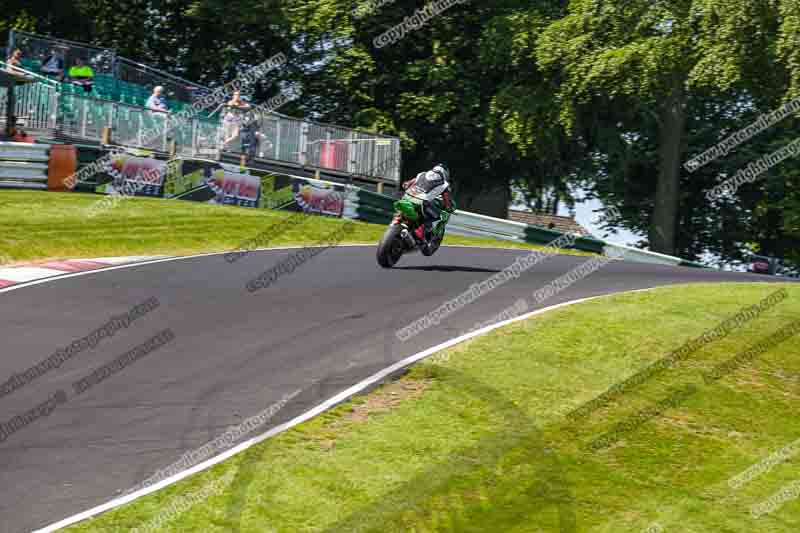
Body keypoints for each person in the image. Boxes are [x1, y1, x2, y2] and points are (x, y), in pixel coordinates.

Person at [401, 163, 456, 253]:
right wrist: (448, 208)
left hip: (407, 197)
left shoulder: (422, 174)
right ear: (445, 174)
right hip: (421, 202)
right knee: (432, 217)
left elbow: (408, 183)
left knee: (401, 213)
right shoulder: (444, 183)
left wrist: (406, 185)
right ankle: (420, 235)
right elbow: (446, 199)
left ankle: (400, 225)